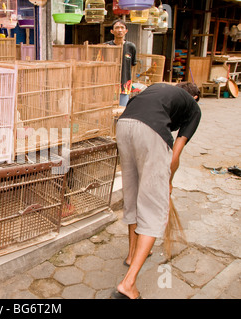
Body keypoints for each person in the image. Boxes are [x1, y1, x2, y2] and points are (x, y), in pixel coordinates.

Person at [113, 82, 201, 299]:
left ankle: (131, 255)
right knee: (153, 208)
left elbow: (133, 106)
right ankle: (128, 284)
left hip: (123, 125)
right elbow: (174, 156)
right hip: (150, 130)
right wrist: (168, 182)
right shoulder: (194, 109)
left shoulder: (157, 89)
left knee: (132, 197)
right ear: (195, 97)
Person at [105, 19, 137, 107]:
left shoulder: (131, 47)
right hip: (108, 84)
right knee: (108, 109)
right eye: (117, 28)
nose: (120, 30)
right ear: (112, 31)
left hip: (124, 85)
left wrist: (130, 82)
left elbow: (132, 65)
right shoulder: (106, 47)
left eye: (122, 28)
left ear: (126, 31)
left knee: (122, 109)